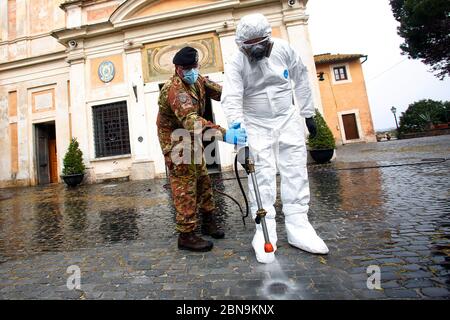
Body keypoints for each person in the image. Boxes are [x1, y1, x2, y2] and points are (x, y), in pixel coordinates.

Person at [221, 14, 329, 263]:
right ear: (242, 45)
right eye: (251, 45)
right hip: (255, 123)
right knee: (262, 176)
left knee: (295, 170)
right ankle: (264, 230)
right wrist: (237, 130)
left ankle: (299, 226)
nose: (257, 49)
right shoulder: (237, 62)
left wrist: (308, 113)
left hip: (286, 118)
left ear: (268, 37)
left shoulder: (284, 49)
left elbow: (301, 77)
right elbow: (232, 97)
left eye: (261, 42)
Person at [157, 46, 247, 252]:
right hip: (176, 140)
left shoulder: (197, 79)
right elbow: (192, 122)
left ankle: (208, 222)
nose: (192, 71)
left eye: (194, 67)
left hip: (191, 136)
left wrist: (241, 97)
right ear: (178, 69)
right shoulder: (175, 90)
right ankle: (186, 235)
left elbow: (221, 92)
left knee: (203, 178)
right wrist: (225, 134)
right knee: (185, 184)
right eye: (187, 68)